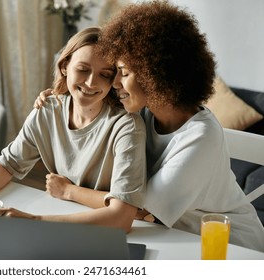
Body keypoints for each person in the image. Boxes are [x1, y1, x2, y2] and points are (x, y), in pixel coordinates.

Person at [35, 1, 264, 251]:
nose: (115, 83)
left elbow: (138, 210)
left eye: (123, 72)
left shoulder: (200, 136)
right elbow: (91, 101)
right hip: (171, 237)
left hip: (231, 248)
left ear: (153, 73)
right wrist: (58, 95)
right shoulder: (141, 111)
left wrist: (69, 191)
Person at [0, 27, 147, 233]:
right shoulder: (48, 109)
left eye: (104, 74)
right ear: (65, 65)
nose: (90, 82)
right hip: (62, 215)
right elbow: (9, 164)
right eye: (83, 69)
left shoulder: (127, 127)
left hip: (101, 231)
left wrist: (33, 220)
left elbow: (122, 219)